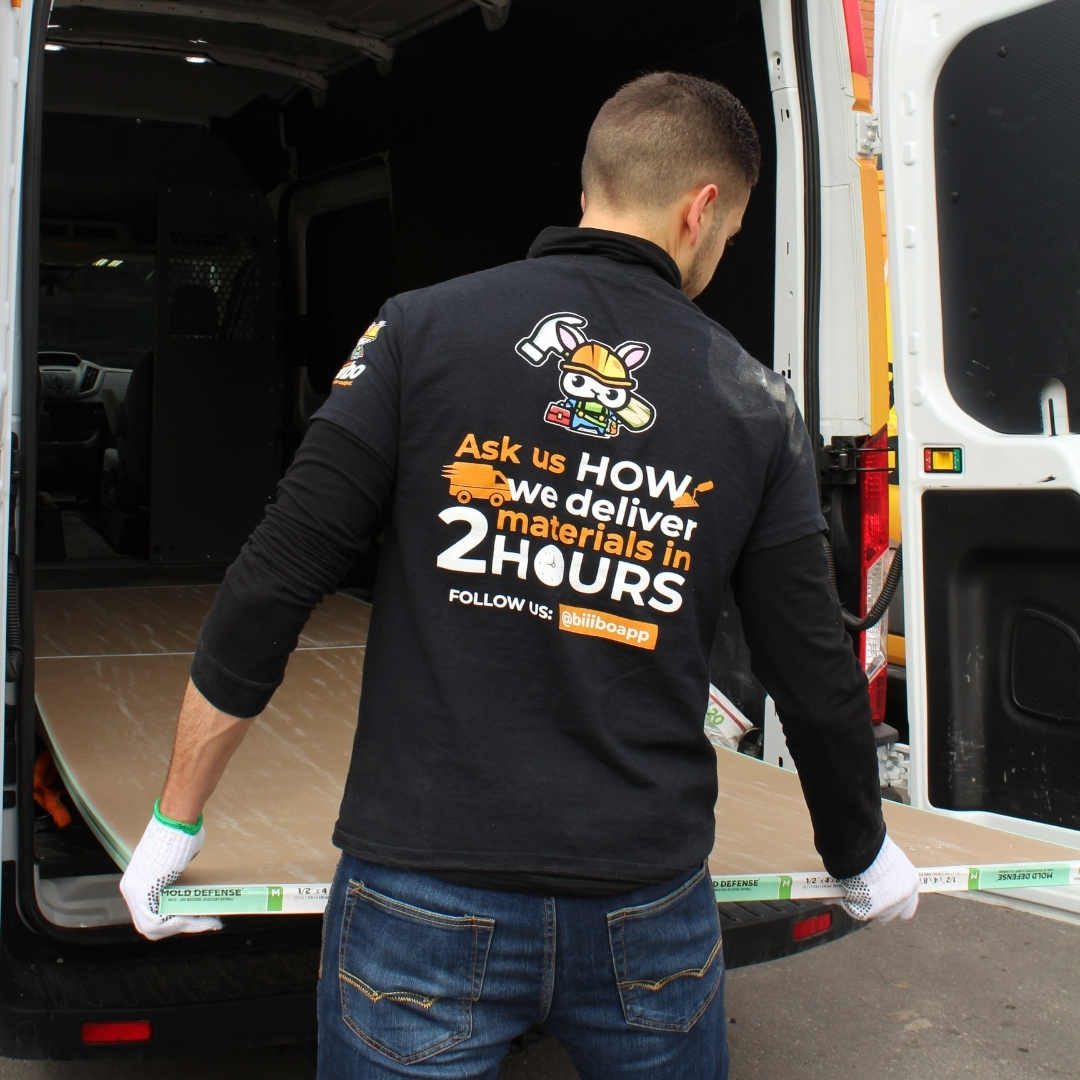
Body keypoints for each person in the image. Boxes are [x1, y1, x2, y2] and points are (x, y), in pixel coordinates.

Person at [119, 72, 919, 1079]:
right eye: (732, 230)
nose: (722, 253)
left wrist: (176, 822)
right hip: (644, 904)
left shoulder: (419, 331)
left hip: (421, 893)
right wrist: (859, 851)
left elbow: (274, 583)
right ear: (702, 207)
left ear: (590, 187)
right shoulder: (750, 400)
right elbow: (810, 665)